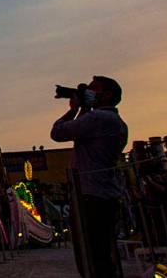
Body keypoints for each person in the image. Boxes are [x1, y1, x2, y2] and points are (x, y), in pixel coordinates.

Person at [50, 76, 128, 278]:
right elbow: (81, 133)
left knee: (91, 254)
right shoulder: (116, 121)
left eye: (94, 89)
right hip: (102, 193)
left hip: (90, 195)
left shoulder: (98, 118)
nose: (90, 92)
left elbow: (58, 132)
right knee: (100, 253)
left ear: (108, 94)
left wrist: (73, 109)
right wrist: (84, 108)